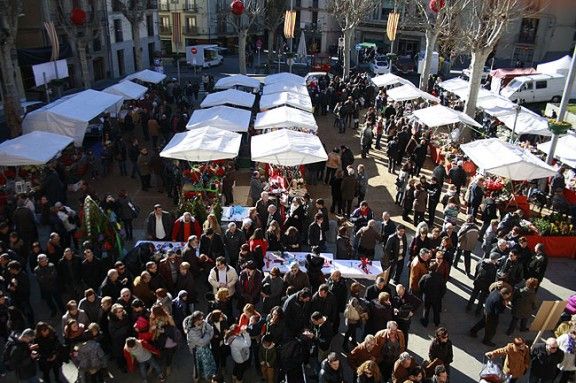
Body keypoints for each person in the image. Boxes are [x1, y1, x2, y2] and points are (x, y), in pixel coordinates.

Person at [183, 311, 217, 381]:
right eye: (200, 319)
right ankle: (196, 377)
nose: (203, 320)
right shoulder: (191, 331)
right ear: (195, 320)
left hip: (205, 348)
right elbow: (202, 342)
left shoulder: (203, 322)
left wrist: (206, 337)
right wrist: (208, 335)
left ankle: (205, 375)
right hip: (196, 350)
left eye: (202, 318)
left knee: (206, 363)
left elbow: (211, 329)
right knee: (197, 364)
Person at [419, 262, 446, 327]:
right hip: (436, 297)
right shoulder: (440, 277)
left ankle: (425, 322)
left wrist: (423, 292)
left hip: (427, 296)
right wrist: (440, 296)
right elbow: (443, 289)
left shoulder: (425, 277)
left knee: (426, 309)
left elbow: (420, 285)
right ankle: (436, 322)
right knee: (436, 310)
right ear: (436, 269)